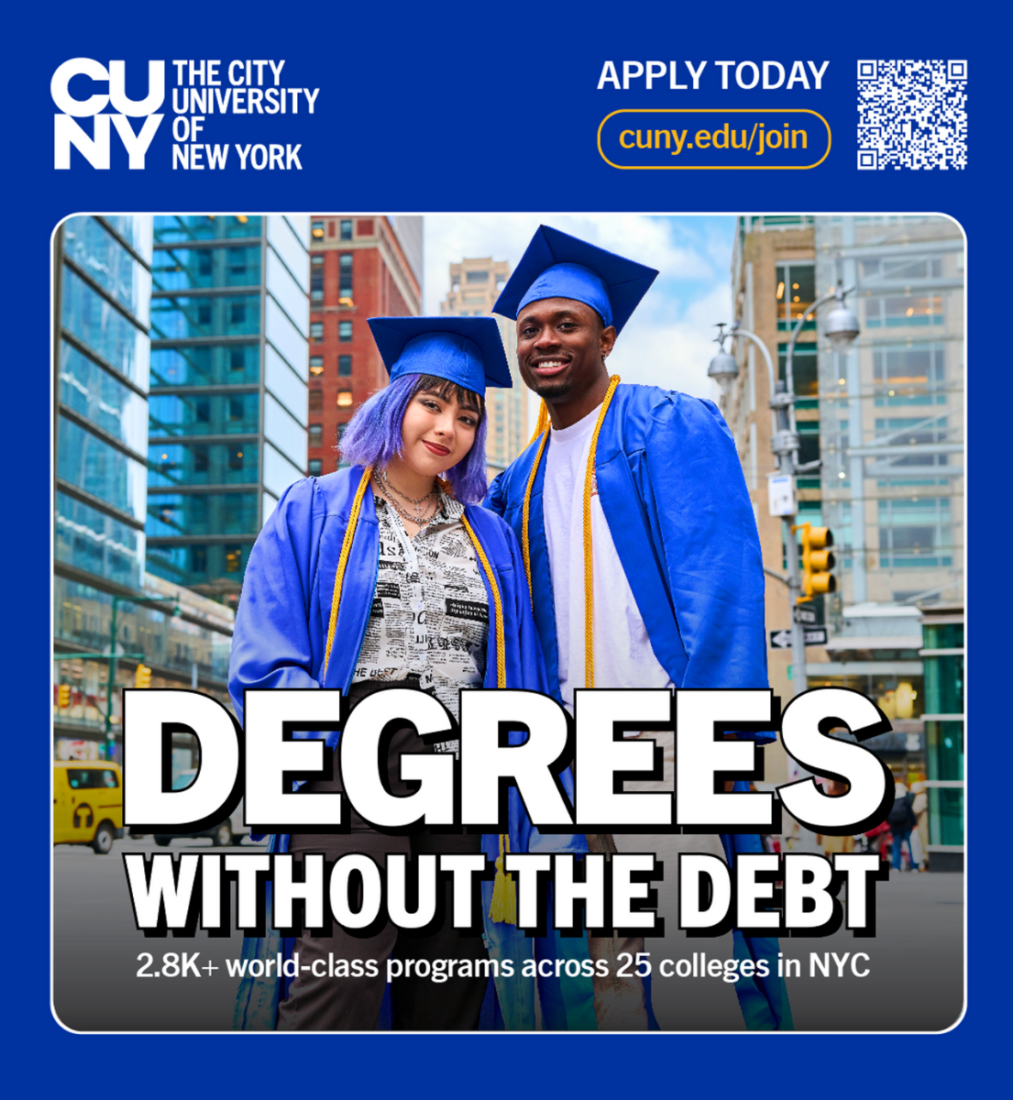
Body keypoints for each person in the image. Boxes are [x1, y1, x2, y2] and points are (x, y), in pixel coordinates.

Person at [228, 316, 593, 1031]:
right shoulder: (315, 507)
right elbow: (264, 662)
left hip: (462, 775)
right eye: (432, 403)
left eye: (466, 415)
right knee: (341, 975)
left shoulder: (487, 532)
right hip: (354, 764)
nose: (448, 426)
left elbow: (520, 674)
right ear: (393, 405)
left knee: (448, 980)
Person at [486, 225, 792, 1031]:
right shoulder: (515, 481)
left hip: (663, 741)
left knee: (694, 960)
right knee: (602, 965)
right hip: (567, 757)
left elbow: (721, 591)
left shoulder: (666, 426)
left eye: (565, 324)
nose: (546, 340)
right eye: (531, 328)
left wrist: (717, 736)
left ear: (606, 336)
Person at [888, 780, 918, 871]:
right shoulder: (906, 799)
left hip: (895, 827)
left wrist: (890, 823)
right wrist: (914, 824)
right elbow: (911, 813)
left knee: (896, 847)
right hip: (907, 826)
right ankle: (914, 867)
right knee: (911, 846)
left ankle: (896, 866)